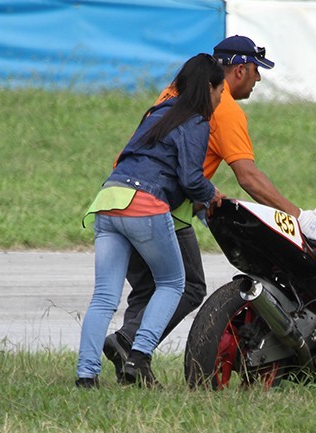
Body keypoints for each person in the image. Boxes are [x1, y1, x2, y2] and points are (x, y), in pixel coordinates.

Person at [101, 35, 316, 380]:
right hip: (158, 206)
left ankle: (132, 360)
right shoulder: (224, 107)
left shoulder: (175, 90)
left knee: (150, 287)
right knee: (189, 286)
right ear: (240, 69)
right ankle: (131, 342)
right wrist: (298, 215)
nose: (258, 79)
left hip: (120, 193)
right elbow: (248, 176)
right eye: (257, 71)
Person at [75, 54, 227, 389]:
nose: (220, 99)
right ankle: (138, 357)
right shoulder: (198, 122)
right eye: (220, 91)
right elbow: (190, 179)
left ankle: (86, 376)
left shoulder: (157, 112)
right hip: (145, 204)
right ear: (209, 88)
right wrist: (212, 193)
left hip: (108, 199)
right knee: (175, 283)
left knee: (104, 296)